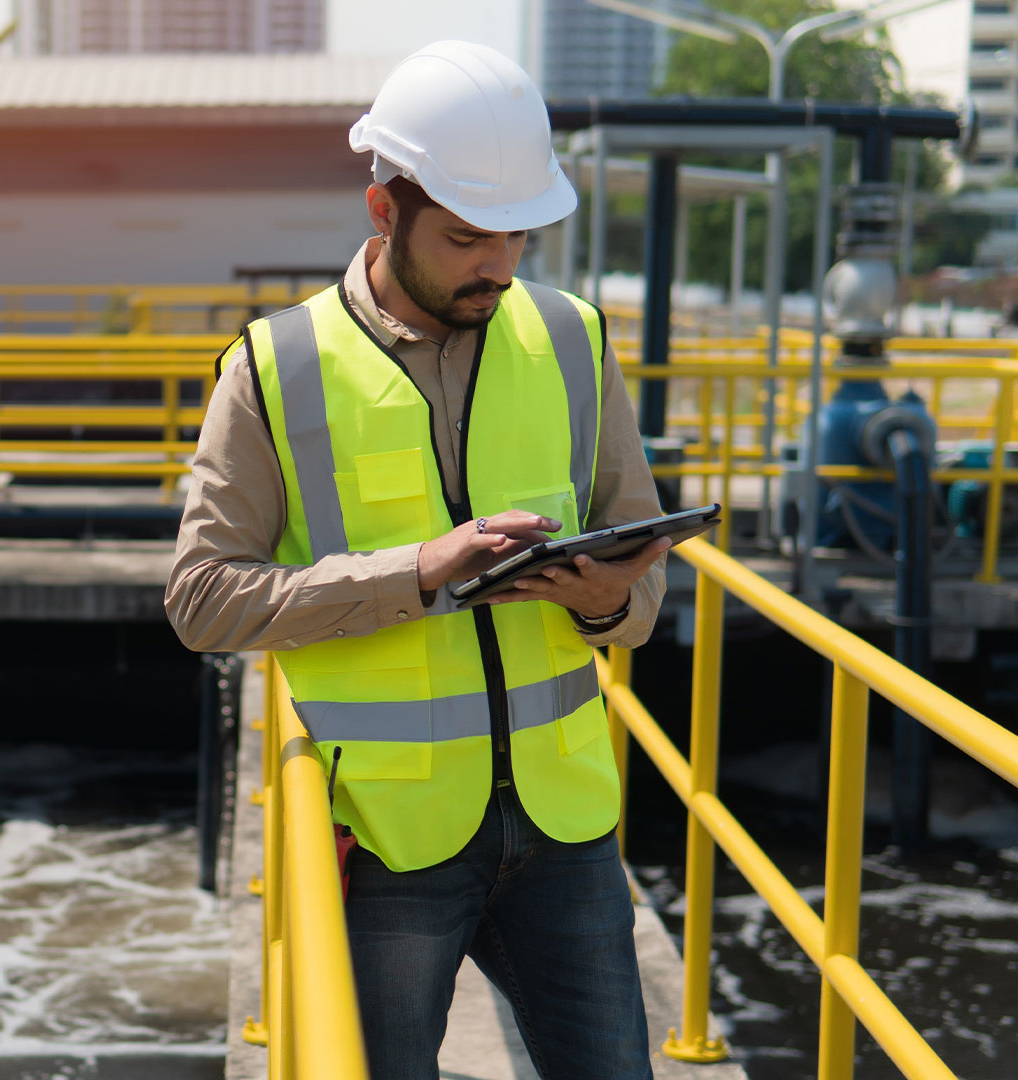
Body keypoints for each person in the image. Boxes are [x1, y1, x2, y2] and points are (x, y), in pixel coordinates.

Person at [164, 40, 670, 1078]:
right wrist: (416, 572)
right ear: (383, 210)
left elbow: (645, 577)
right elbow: (203, 601)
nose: (499, 263)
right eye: (469, 236)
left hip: (564, 825)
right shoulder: (277, 368)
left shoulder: (574, 340)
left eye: (518, 236)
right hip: (387, 833)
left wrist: (608, 601)